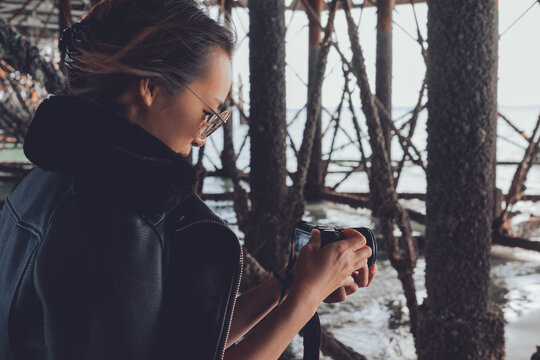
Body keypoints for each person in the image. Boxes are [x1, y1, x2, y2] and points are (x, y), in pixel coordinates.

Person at [0, 0, 376, 359]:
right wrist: (304, 300)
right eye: (207, 112)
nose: (201, 135)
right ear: (150, 87)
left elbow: (168, 345)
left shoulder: (45, 182)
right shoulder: (109, 220)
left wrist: (284, 286)